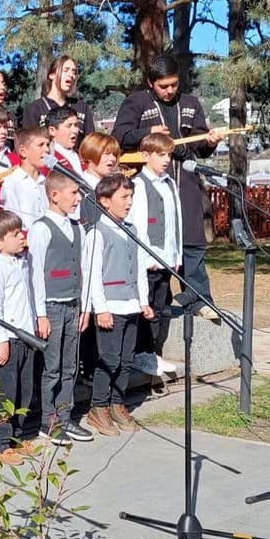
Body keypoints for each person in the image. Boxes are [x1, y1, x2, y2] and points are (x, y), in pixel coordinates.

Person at [112, 54, 224, 318]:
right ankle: (151, 302)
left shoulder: (191, 103)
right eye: (163, 86)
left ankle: (199, 300)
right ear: (151, 83)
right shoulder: (136, 102)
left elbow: (199, 145)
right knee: (154, 243)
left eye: (174, 84)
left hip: (184, 182)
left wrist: (210, 142)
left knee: (192, 240)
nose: (170, 90)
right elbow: (120, 136)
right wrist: (147, 134)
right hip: (149, 185)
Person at [81, 173, 154, 437]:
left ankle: (116, 402)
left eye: (131, 196)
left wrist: (143, 301)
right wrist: (100, 308)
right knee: (109, 359)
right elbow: (93, 275)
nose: (129, 202)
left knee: (125, 360)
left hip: (131, 304)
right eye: (123, 197)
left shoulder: (132, 230)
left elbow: (140, 269)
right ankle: (98, 406)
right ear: (104, 201)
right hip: (110, 307)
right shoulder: (97, 233)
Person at [26, 170, 91, 445]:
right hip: (52, 306)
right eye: (73, 193)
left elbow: (84, 268)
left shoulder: (78, 228)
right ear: (54, 195)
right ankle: (48, 421)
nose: (77, 199)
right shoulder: (41, 229)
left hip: (73, 305)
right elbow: (36, 273)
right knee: (52, 367)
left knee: (69, 366)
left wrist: (85, 307)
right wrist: (41, 313)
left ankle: (66, 417)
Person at [0, 210, 38, 464]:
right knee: (3, 392)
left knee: (24, 391)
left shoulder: (21, 262)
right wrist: (1, 340)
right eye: (14, 234)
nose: (21, 237)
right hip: (7, 340)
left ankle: (16, 435)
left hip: (25, 336)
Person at [128, 133, 183, 379]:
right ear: (146, 156)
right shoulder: (139, 185)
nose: (166, 160)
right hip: (149, 260)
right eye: (161, 154)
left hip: (167, 258)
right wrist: (146, 257)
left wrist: (177, 253)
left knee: (160, 307)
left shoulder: (170, 182)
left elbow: (176, 221)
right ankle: (141, 353)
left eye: (169, 155)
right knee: (146, 308)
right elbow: (138, 224)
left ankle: (152, 352)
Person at [22, 54, 96, 138]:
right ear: (51, 75)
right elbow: (30, 144)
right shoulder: (34, 109)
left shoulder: (82, 108)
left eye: (74, 72)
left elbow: (91, 143)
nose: (71, 75)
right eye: (66, 70)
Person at [0, 127, 50, 230]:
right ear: (23, 151)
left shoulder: (46, 180)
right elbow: (13, 223)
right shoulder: (12, 183)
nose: (47, 150)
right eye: (40, 145)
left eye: (47, 145)